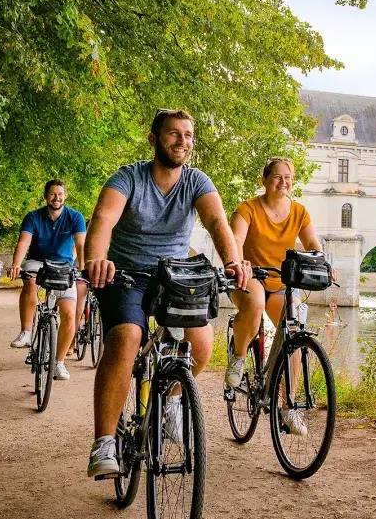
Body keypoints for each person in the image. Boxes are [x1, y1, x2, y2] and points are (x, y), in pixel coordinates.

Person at [82, 108, 250, 479]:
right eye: (174, 134)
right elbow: (104, 219)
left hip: (174, 278)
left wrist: (233, 261)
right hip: (125, 275)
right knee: (127, 337)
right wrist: (96, 259)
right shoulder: (129, 177)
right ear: (154, 139)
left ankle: (172, 403)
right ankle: (104, 442)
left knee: (202, 346)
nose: (183, 142)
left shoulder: (196, 182)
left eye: (188, 136)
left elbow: (217, 222)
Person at [225, 156, 334, 437]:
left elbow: (313, 246)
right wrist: (238, 261)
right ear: (264, 179)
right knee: (256, 301)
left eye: (288, 177)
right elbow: (235, 240)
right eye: (277, 176)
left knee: (295, 334)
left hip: (282, 281)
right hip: (249, 276)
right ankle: (238, 356)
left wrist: (324, 265)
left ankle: (288, 406)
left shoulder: (299, 212)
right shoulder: (247, 209)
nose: (283, 182)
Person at [8, 180, 88, 383]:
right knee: (30, 280)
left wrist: (84, 269)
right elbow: (24, 241)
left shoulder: (75, 217)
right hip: (38, 262)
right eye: (52, 194)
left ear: (65, 196)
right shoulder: (33, 217)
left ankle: (59, 362)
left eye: (60, 194)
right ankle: (26, 332)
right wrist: (16, 264)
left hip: (63, 266)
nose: (56, 198)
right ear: (46, 197)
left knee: (70, 313)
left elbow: (80, 244)